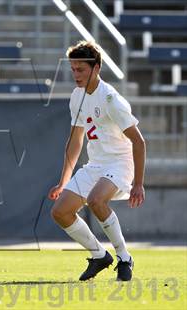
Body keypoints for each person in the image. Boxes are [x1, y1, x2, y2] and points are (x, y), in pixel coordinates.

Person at [48, 41, 146, 281]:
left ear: (97, 68)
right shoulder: (76, 96)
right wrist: (64, 182)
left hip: (120, 163)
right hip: (96, 165)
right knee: (60, 212)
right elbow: (75, 142)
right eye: (73, 69)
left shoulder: (111, 99)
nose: (76, 75)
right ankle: (99, 255)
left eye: (81, 69)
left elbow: (139, 142)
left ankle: (124, 257)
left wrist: (138, 183)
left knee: (96, 200)